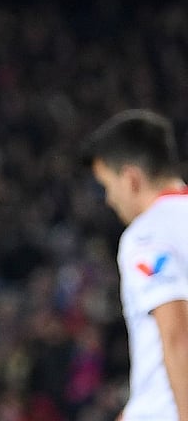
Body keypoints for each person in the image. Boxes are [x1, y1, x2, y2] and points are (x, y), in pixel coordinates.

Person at [83, 109, 188, 421]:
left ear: (130, 179)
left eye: (107, 185)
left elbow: (177, 334)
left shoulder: (146, 236)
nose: (108, 199)